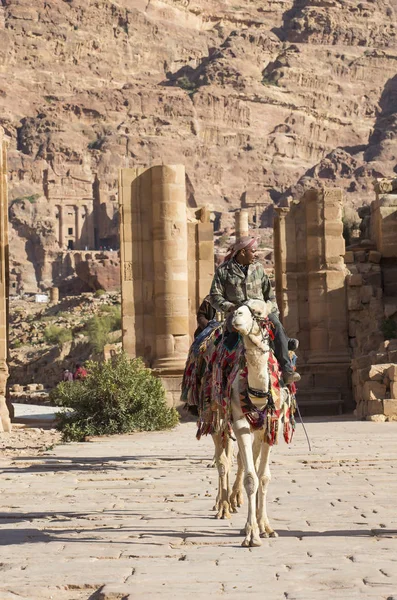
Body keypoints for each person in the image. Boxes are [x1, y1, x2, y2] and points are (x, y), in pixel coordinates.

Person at [209, 236, 300, 384]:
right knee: (228, 342)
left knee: (276, 326)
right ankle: (222, 382)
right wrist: (230, 307)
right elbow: (214, 297)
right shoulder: (224, 271)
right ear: (243, 252)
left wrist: (270, 311)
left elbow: (269, 296)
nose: (256, 254)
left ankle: (287, 370)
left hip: (260, 313)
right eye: (253, 251)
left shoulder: (258, 268)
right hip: (237, 315)